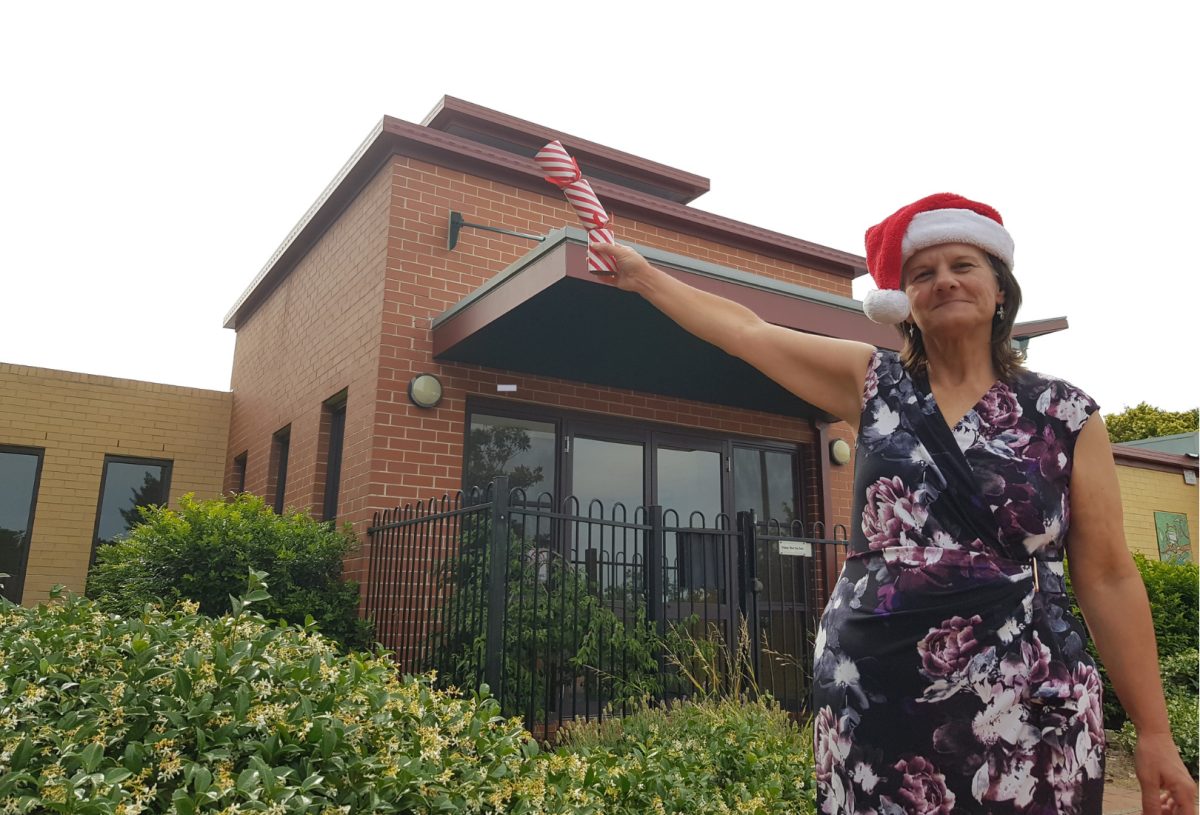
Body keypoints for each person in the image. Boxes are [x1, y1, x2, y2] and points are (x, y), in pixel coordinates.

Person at [591, 193, 1195, 815]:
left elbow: (1110, 576)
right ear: (902, 301)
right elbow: (747, 333)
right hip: (874, 684)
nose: (944, 282)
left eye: (964, 264)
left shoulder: (1066, 414)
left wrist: (1154, 732)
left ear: (1000, 289)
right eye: (922, 274)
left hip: (1028, 687)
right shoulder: (873, 382)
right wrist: (641, 276)